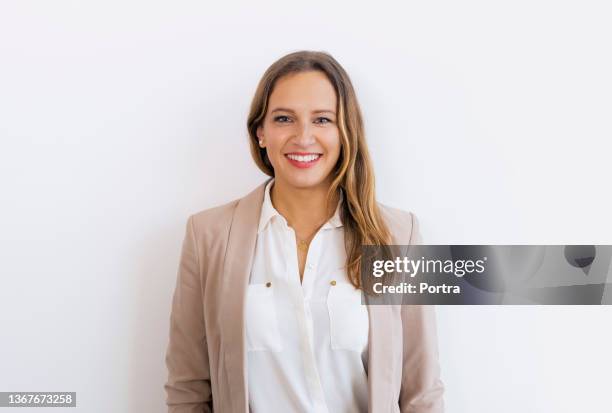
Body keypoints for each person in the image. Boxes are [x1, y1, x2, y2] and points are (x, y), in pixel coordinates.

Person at [164, 50, 445, 413]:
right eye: (284, 119)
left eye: (322, 120)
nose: (303, 137)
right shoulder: (208, 236)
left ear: (346, 133)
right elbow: (188, 387)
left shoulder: (400, 235)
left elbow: (422, 392)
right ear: (261, 132)